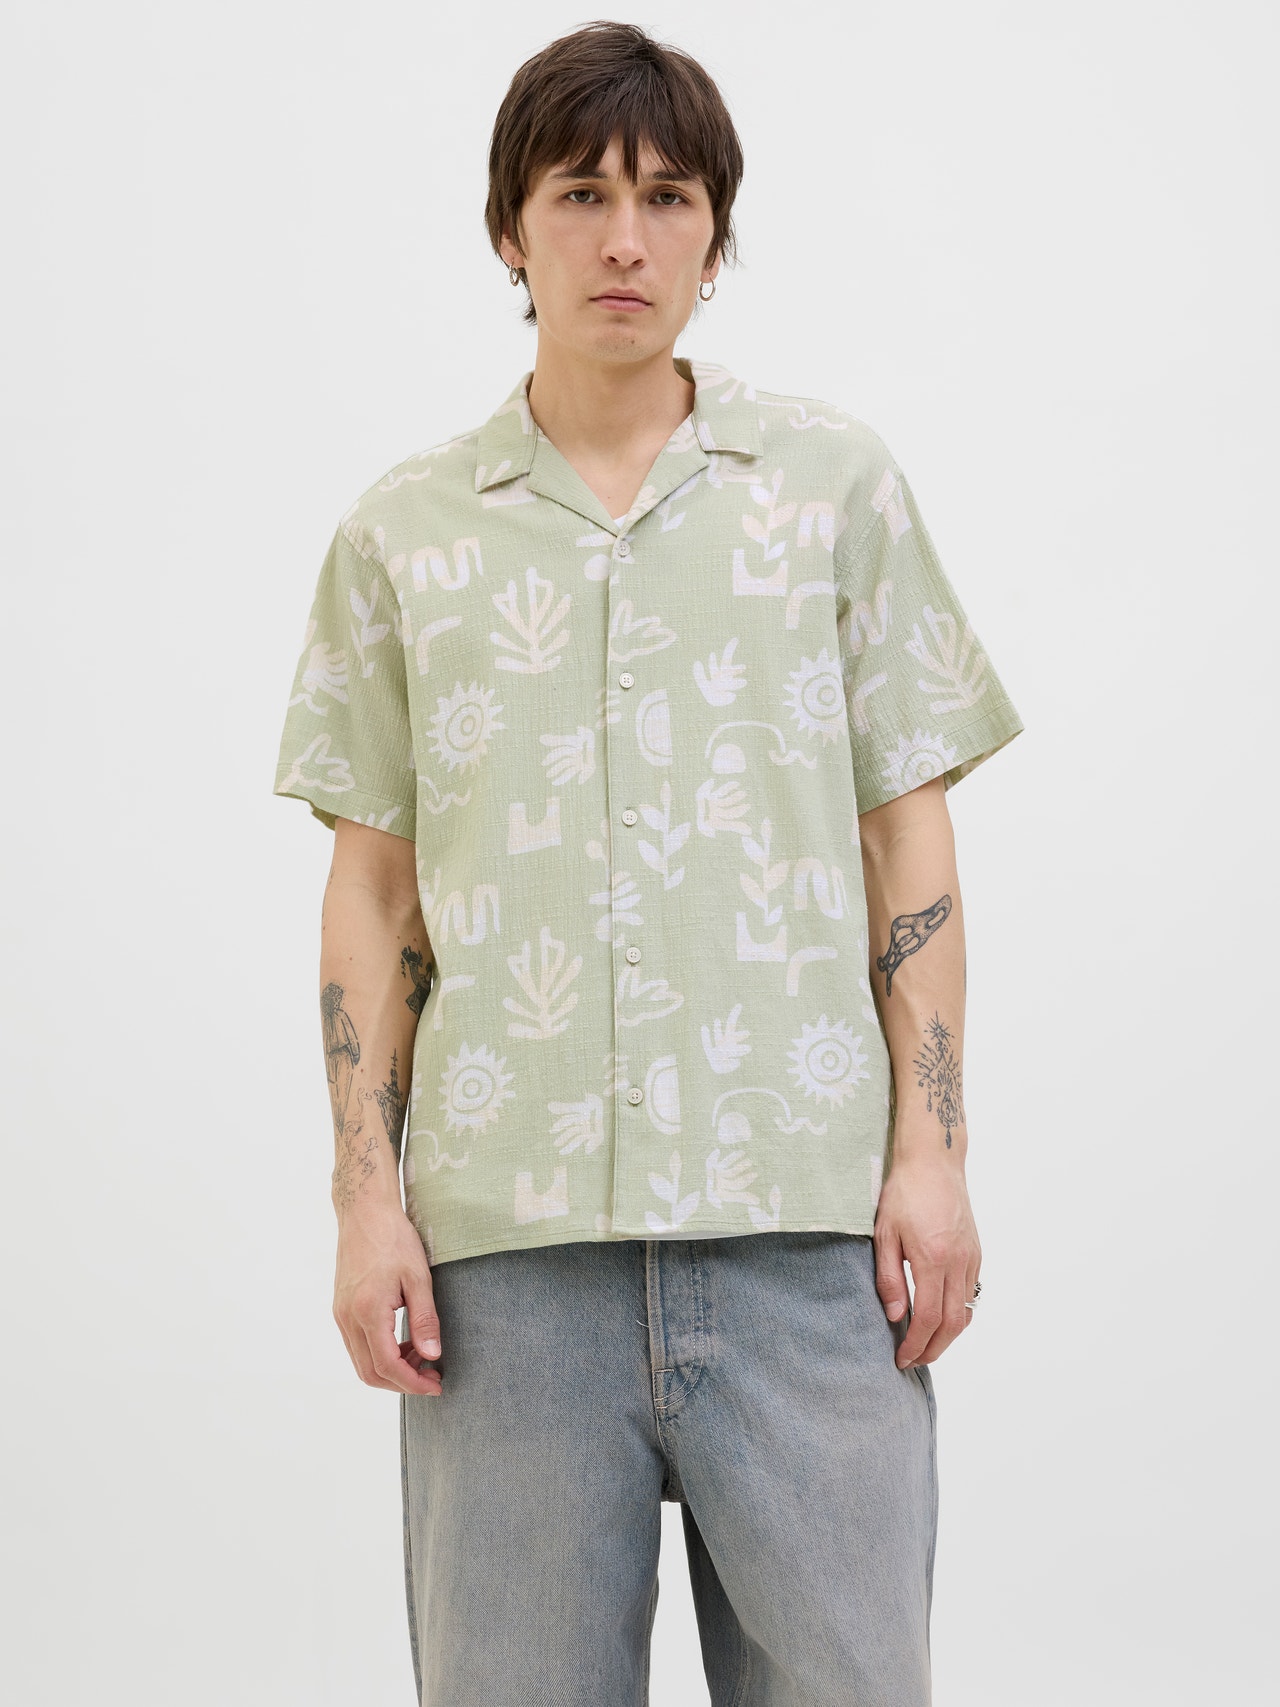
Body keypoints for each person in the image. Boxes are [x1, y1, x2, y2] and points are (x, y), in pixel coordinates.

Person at [272, 19, 1024, 1706]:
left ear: (714, 233)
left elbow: (905, 830)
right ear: (510, 228)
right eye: (582, 194)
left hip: (804, 1245)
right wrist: (366, 1204)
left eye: (669, 197)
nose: (626, 239)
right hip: (508, 1276)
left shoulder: (832, 493)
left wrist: (934, 1155)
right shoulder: (404, 536)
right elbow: (375, 892)